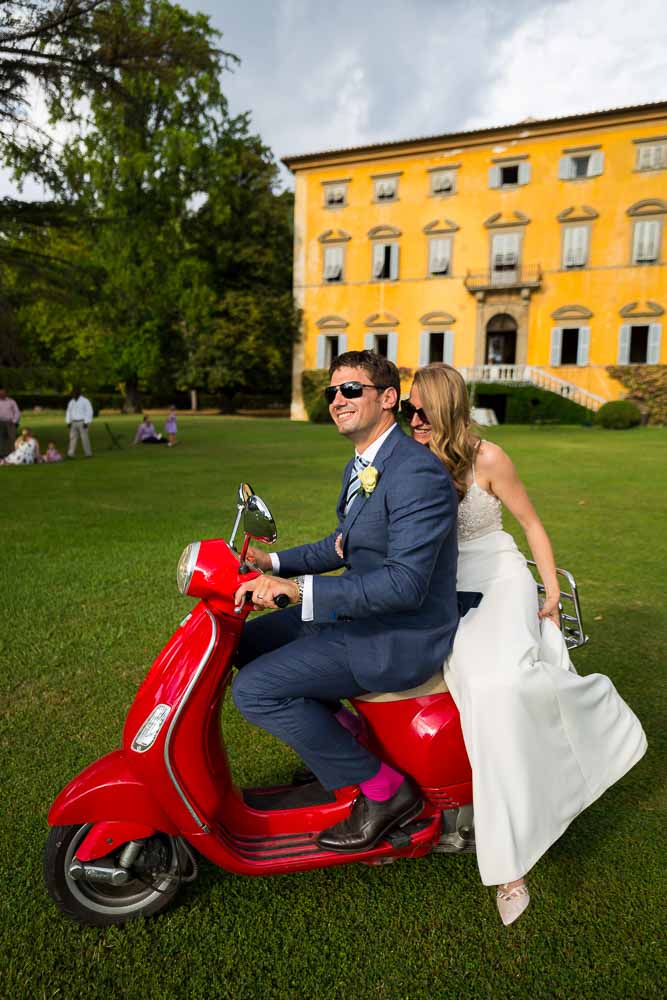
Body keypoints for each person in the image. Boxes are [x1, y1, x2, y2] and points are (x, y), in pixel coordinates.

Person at [404, 363, 647, 925]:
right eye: (408, 408)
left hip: (499, 576)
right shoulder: (408, 455)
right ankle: (512, 826)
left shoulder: (487, 457)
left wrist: (553, 592)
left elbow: (530, 524)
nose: (410, 418)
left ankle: (510, 858)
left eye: (420, 409)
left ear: (444, 408)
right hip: (444, 588)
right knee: (479, 691)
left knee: (501, 683)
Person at [232, 351, 462, 852]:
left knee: (254, 690)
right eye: (332, 392)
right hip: (357, 613)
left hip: (398, 635)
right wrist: (272, 566)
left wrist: (300, 592)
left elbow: (404, 585)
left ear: (387, 398)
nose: (338, 400)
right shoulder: (365, 464)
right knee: (242, 644)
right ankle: (347, 745)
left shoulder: (415, 474)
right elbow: (342, 544)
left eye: (351, 389)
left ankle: (387, 792)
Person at [66, 387, 93, 458]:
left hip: (82, 422)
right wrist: (68, 421)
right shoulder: (71, 402)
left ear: (79, 393)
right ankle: (70, 454)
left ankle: (88, 454)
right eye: (72, 394)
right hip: (73, 422)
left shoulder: (85, 401)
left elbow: (89, 411)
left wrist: (86, 422)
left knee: (84, 438)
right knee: (72, 438)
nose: (73, 395)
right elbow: (68, 412)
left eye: (74, 393)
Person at [0, 387, 21, 459]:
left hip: (10, 422)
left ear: (6, 393)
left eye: (3, 393)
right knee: (1, 439)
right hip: (0, 423)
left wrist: (14, 421)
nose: (1, 394)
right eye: (0, 393)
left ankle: (13, 453)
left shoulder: (11, 401)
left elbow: (17, 412)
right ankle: (2, 455)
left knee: (12, 438)